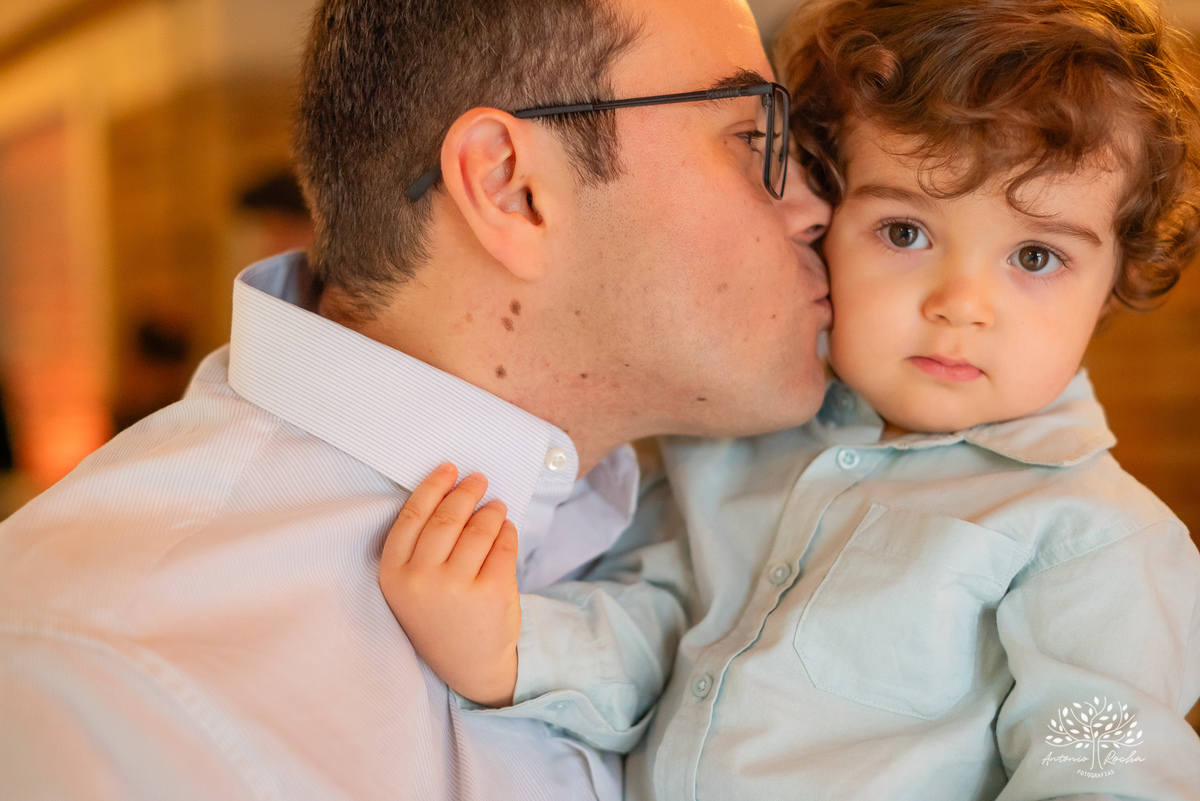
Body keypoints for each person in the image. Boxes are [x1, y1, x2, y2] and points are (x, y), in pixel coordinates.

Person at [0, 0, 832, 799]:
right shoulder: (96, 676)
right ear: (510, 187)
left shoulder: (726, 523)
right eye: (750, 134)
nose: (815, 206)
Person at [382, 0, 1200, 798]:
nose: (962, 303)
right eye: (905, 233)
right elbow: (660, 627)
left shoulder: (1096, 541)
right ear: (824, 225)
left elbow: (1106, 770)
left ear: (1111, 285)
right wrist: (511, 649)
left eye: (1035, 255)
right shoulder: (730, 446)